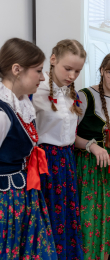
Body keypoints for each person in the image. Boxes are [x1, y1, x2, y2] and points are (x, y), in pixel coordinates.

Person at [0, 38, 57, 259]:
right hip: (6, 201)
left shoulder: (22, 104)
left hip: (22, 195)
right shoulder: (3, 112)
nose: (43, 77)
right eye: (38, 71)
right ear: (17, 69)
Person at [32, 39, 86, 259]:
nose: (72, 75)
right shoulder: (37, 90)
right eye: (68, 68)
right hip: (46, 161)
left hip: (67, 160)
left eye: (78, 71)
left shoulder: (71, 94)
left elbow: (71, 135)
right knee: (49, 218)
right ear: (53, 60)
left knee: (66, 216)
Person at [75, 53, 110, 260]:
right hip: (89, 167)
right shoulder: (84, 95)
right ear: (101, 71)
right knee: (88, 218)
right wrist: (92, 146)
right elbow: (69, 136)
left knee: (109, 219)